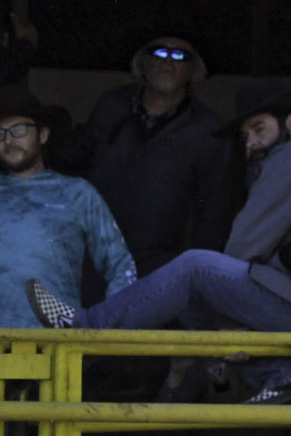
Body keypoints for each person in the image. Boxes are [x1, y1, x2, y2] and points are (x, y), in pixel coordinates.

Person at [27, 80, 291, 403]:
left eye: (259, 128)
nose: (251, 141)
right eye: (245, 135)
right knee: (188, 300)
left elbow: (248, 240)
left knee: (193, 267)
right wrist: (230, 319)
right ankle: (285, 375)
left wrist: (231, 314)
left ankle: (84, 327)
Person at [0, 85, 135, 331]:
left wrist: (107, 329)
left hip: (59, 346)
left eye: (19, 129)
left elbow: (121, 266)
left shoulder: (78, 193)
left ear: (43, 135)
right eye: (0, 133)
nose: (9, 140)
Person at [83, 36, 235, 279]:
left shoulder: (209, 130)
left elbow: (214, 213)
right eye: (159, 53)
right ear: (142, 62)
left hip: (157, 268)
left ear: (193, 70)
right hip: (93, 255)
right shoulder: (111, 106)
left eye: (179, 56)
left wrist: (200, 275)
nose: (168, 61)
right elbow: (76, 162)